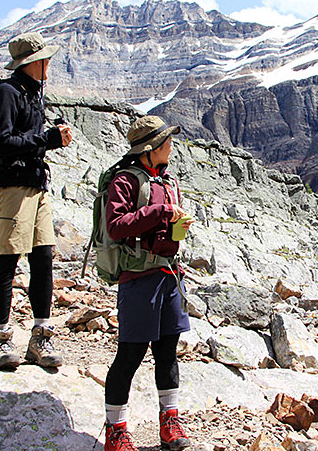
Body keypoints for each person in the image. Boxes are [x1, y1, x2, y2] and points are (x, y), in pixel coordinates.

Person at [103, 115, 193, 451]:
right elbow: (115, 226)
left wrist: (177, 223)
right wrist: (159, 214)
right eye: (166, 141)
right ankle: (116, 431)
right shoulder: (126, 181)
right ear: (150, 148)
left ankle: (170, 422)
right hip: (139, 278)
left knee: (168, 352)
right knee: (131, 353)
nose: (171, 146)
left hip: (170, 275)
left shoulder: (167, 181)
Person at [0, 32, 72, 370]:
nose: (49, 63)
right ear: (32, 62)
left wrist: (48, 138)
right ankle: (1, 340)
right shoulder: (7, 93)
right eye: (45, 58)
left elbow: (25, 140)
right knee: (7, 260)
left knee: (43, 258)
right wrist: (47, 137)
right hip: (11, 187)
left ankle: (41, 335)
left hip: (35, 186)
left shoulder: (31, 95)